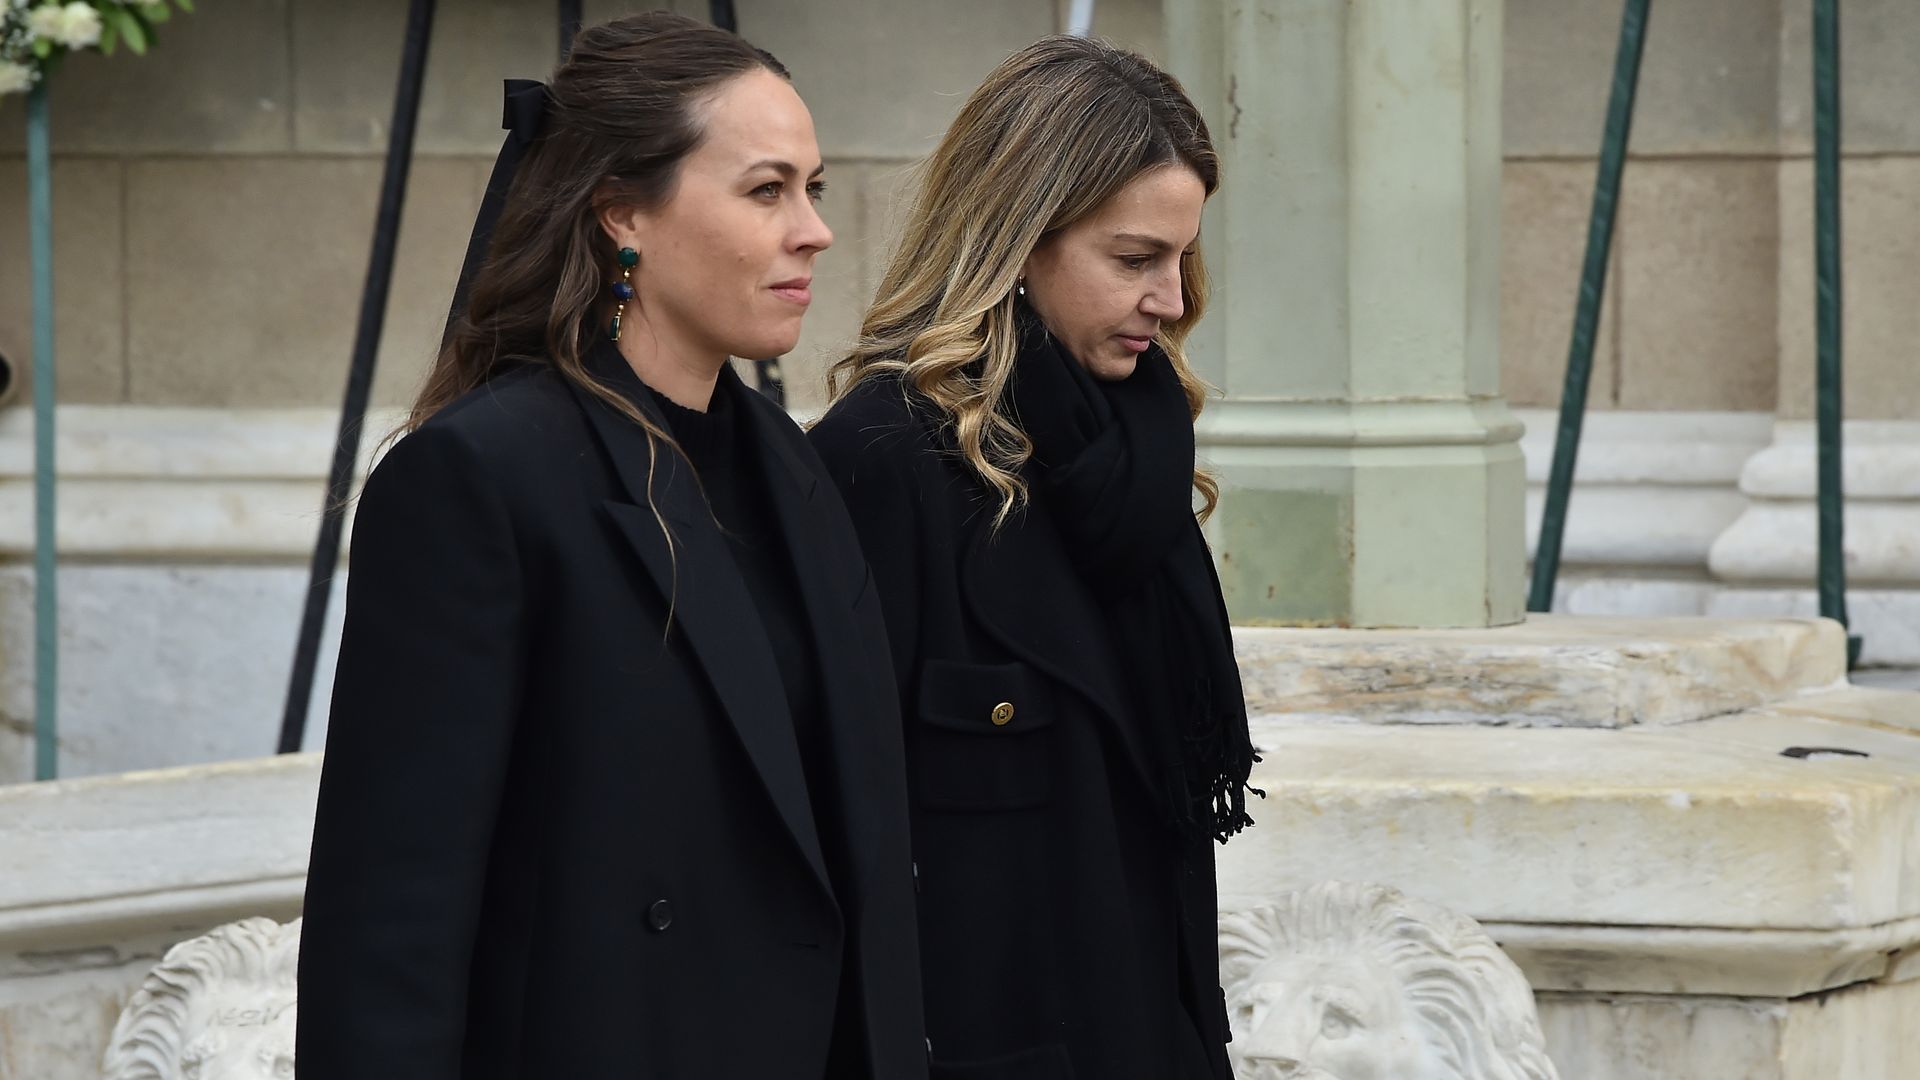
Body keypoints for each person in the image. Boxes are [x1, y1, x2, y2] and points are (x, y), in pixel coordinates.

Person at [297, 14, 923, 1079]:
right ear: (622, 212)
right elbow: (392, 920)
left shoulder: (793, 466)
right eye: (768, 190)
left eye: (813, 188)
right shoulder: (478, 478)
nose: (814, 229)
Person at [808, 35, 1257, 1080]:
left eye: (1182, 260)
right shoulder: (883, 461)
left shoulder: (1140, 450)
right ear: (1015, 240)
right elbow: (841, 846)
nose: (1173, 300)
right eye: (1135, 259)